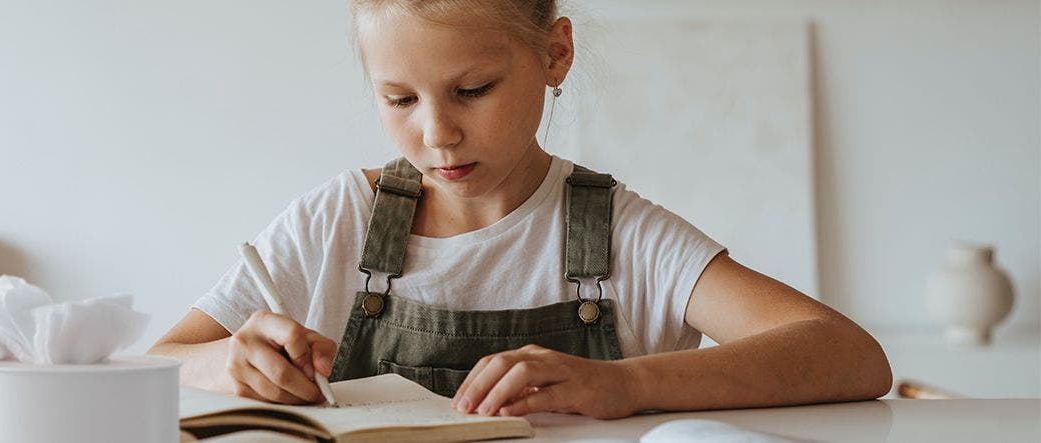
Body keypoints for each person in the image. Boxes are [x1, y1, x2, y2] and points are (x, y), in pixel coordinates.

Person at [149, 0, 892, 419]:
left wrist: (627, 383)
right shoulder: (335, 220)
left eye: (473, 89)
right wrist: (227, 361)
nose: (436, 133)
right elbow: (159, 361)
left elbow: (850, 354)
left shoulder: (623, 235)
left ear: (555, 55)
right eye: (399, 99)